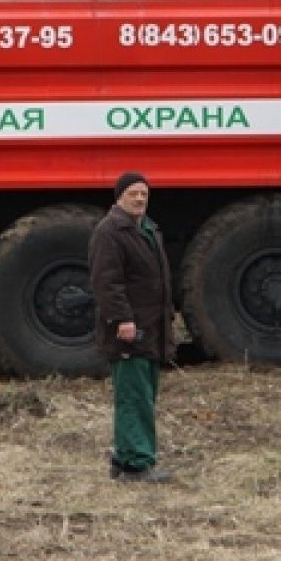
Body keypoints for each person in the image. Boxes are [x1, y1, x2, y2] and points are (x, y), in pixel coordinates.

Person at [87, 171, 176, 483]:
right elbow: (107, 282)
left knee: (143, 394)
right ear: (119, 197)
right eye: (133, 193)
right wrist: (122, 319)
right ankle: (137, 464)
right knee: (133, 396)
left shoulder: (149, 230)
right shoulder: (110, 232)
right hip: (129, 331)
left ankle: (125, 458)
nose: (139, 199)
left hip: (151, 329)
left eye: (144, 194)